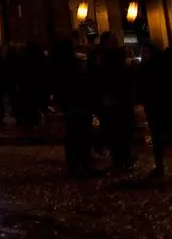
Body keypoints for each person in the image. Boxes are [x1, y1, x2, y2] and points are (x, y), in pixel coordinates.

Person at [51, 40, 92, 177]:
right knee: (82, 135)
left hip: (70, 104)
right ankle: (84, 165)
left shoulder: (59, 65)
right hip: (79, 103)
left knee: (72, 136)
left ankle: (74, 165)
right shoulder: (75, 64)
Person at [94, 33, 134, 171]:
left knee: (119, 131)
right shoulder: (108, 57)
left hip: (116, 98)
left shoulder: (113, 57)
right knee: (116, 131)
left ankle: (123, 159)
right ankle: (120, 159)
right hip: (113, 98)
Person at [141, 43, 172, 178]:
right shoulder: (159, 65)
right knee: (159, 137)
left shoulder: (151, 67)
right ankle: (159, 165)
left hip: (158, 106)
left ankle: (159, 166)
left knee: (159, 138)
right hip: (158, 107)